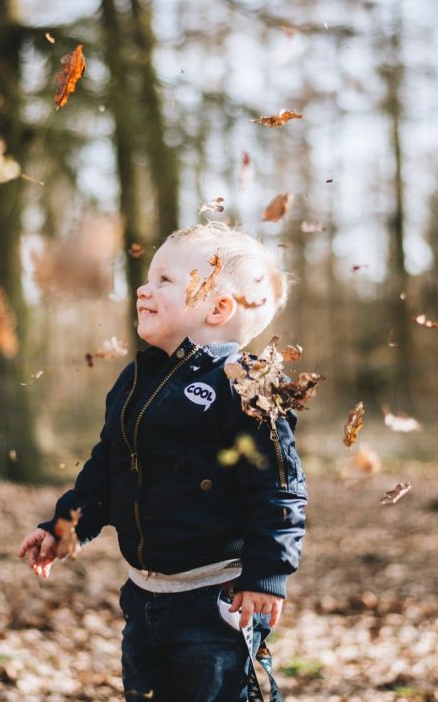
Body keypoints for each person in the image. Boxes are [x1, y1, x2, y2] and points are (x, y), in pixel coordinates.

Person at [18, 222, 308, 701]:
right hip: (145, 597)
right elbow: (105, 471)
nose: (143, 289)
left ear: (218, 309)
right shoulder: (135, 381)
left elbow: (280, 487)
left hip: (217, 600)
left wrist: (266, 576)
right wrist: (64, 528)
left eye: (165, 282)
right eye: (149, 279)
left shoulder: (247, 387)